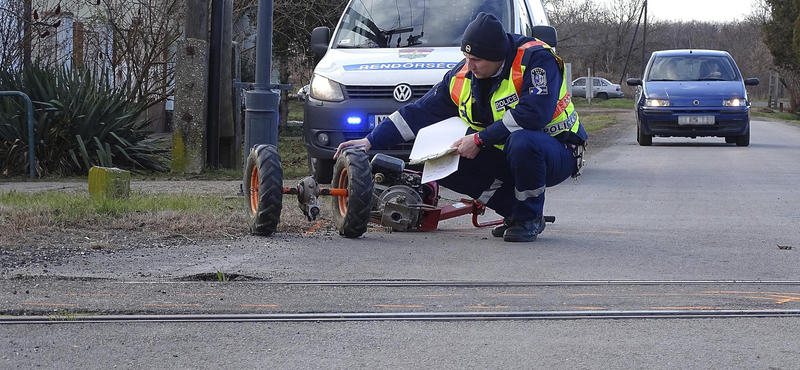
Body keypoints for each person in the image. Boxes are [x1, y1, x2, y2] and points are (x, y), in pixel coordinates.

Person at [334, 12, 588, 242]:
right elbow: (419, 112)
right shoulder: (462, 76)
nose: (470, 65)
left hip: (557, 150)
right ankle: (515, 212)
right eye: (466, 58)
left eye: (476, 59)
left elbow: (535, 114)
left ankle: (529, 218)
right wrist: (370, 140)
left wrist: (479, 140)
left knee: (523, 142)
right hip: (509, 154)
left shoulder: (536, 59)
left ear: (498, 56)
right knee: (440, 163)